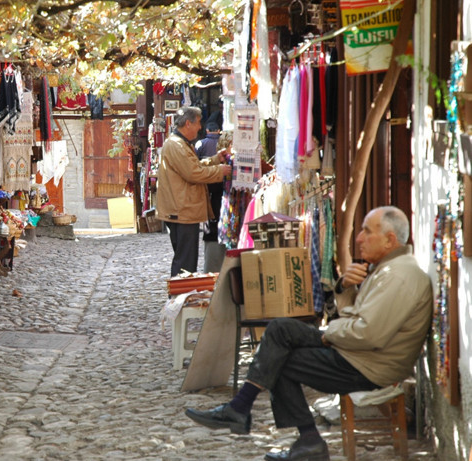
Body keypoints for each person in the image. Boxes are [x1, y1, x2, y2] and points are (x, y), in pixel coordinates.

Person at [185, 206, 433, 461]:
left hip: (369, 365)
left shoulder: (398, 275)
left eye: (367, 232)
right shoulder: (387, 268)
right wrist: (345, 287)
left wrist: (329, 334)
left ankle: (292, 433)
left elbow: (367, 334)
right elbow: (357, 316)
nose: (359, 238)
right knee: (280, 331)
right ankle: (249, 413)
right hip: (359, 352)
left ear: (390, 240)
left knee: (278, 358)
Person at [156, 107, 231, 277]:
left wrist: (214, 160)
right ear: (188, 123)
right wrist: (220, 171)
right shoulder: (176, 145)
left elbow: (194, 166)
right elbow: (193, 173)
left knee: (186, 260)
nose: (200, 127)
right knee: (185, 262)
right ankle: (179, 298)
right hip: (181, 210)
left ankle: (181, 296)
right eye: (197, 123)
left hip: (183, 209)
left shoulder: (180, 144)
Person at [195, 124, 229, 273]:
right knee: (213, 267)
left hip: (217, 222)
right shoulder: (217, 169)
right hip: (215, 222)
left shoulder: (200, 144)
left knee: (215, 266)